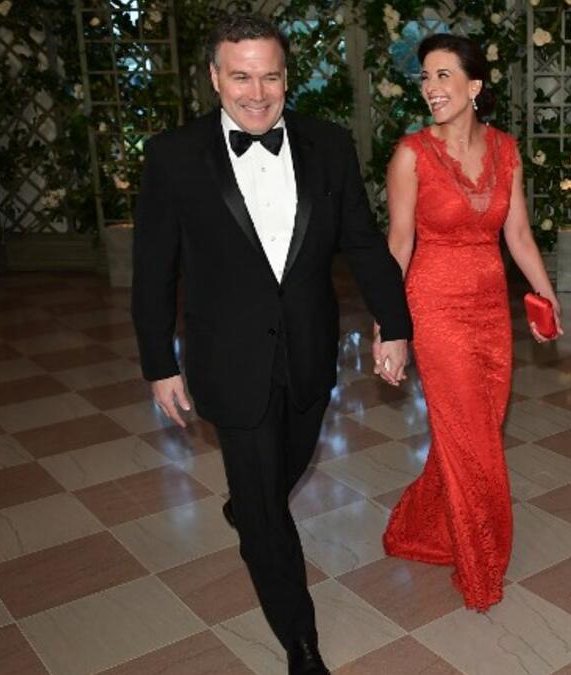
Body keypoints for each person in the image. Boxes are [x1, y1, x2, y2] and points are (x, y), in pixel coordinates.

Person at [131, 14, 412, 675]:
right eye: (240, 76)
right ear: (213, 78)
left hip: (310, 352)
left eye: (270, 76)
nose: (256, 93)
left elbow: (364, 243)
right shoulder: (172, 156)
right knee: (264, 513)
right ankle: (301, 642)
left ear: (287, 77)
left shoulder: (329, 145)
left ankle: (249, 504)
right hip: (228, 360)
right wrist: (158, 362)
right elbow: (154, 271)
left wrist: (394, 323)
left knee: (282, 470)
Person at [380, 33, 560, 612]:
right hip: (433, 309)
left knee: (474, 430)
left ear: (474, 86)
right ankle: (482, 565)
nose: (430, 88)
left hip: (490, 311)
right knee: (475, 442)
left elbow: (519, 235)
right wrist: (390, 326)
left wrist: (545, 295)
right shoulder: (410, 154)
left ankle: (422, 526)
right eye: (425, 78)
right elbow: (399, 243)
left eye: (442, 76)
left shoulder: (507, 151)